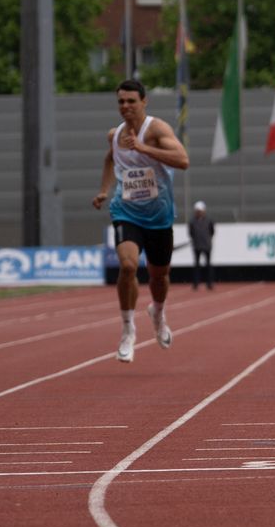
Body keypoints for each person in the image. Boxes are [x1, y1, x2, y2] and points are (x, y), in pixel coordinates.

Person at [91, 78, 189, 364]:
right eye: (121, 101)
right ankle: (127, 329)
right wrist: (104, 190)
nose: (126, 106)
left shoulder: (156, 129)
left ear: (144, 102)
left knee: (159, 276)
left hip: (159, 216)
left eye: (131, 101)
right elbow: (110, 159)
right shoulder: (114, 135)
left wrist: (144, 149)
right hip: (126, 211)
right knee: (128, 266)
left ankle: (158, 312)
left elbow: (183, 160)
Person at [188, 201, 216, 290]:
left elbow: (212, 231)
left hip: (207, 245)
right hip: (197, 245)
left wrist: (207, 239)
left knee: (208, 265)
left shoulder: (209, 220)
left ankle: (209, 283)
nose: (199, 212)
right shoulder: (192, 221)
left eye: (200, 210)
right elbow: (191, 233)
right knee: (196, 265)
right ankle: (196, 283)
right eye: (197, 211)